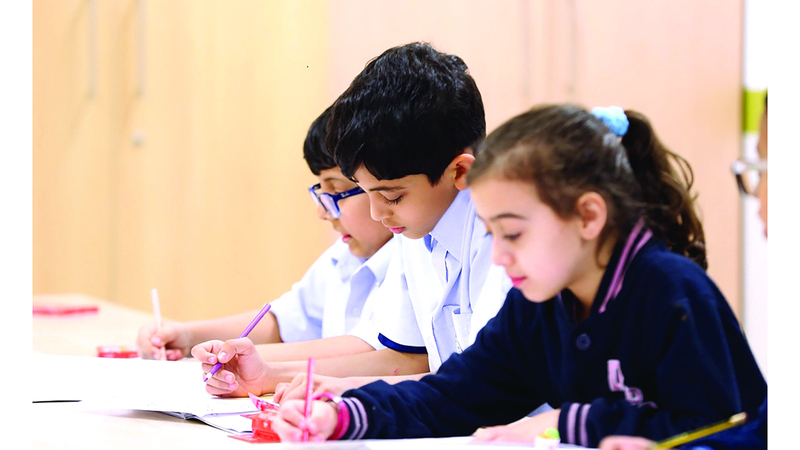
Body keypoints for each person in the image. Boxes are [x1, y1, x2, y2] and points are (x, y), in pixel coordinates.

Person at [271, 104, 766, 447]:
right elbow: (454, 395)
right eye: (491, 234)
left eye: (513, 234)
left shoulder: (672, 293)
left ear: (588, 216)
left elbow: (721, 429)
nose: (500, 257)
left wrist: (569, 423)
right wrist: (345, 415)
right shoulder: (538, 307)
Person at [193, 42, 511, 399]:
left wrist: (350, 402)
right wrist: (268, 376)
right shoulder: (417, 229)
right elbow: (406, 359)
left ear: (460, 172)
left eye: (392, 196)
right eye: (366, 192)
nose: (378, 213)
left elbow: (483, 389)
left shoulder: (504, 244)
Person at [136, 106, 395, 384]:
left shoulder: (409, 259)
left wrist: (235, 357)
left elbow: (370, 349)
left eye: (337, 191)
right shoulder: (343, 255)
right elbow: (285, 321)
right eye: (321, 192)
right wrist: (187, 337)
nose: (323, 212)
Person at [598, 97, 768, 450]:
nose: (756, 192)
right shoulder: (540, 300)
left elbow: (710, 421)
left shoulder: (675, 289)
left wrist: (577, 422)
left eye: (763, 168)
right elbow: (759, 434)